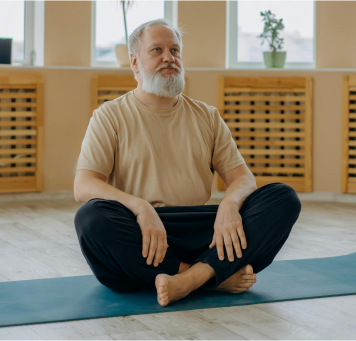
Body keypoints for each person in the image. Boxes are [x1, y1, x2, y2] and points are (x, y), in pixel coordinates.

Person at [73, 18, 301, 307]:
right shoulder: (109, 116)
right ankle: (213, 275)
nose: (169, 57)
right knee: (91, 218)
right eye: (157, 50)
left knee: (283, 198)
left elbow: (243, 179)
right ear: (134, 63)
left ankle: (190, 279)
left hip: (201, 230)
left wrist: (229, 205)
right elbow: (84, 186)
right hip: (144, 233)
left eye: (175, 50)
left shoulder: (207, 116)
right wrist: (141, 207)